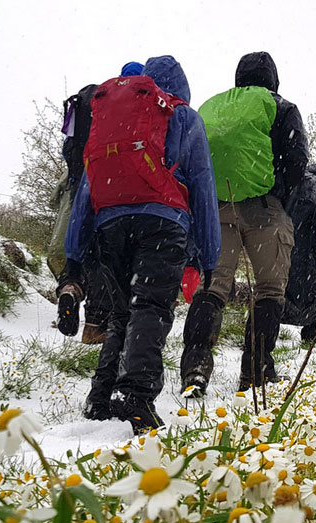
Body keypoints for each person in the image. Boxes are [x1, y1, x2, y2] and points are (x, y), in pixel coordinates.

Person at [62, 55, 219, 433]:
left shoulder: (115, 121)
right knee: (151, 306)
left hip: (110, 222)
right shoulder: (183, 116)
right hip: (163, 223)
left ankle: (100, 396)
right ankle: (136, 394)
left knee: (120, 312)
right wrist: (208, 255)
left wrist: (74, 254)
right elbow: (202, 187)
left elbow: (87, 186)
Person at [181, 51, 308, 395]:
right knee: (269, 290)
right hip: (266, 209)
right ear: (273, 78)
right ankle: (256, 371)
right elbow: (297, 161)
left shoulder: (215, 105)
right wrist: (280, 192)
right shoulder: (280, 107)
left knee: (212, 288)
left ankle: (195, 367)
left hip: (220, 206)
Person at [53, 61, 144, 344]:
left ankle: (71, 286)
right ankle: (95, 326)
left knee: (80, 250)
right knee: (106, 256)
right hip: (108, 185)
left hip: (79, 179)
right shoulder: (138, 101)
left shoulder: (94, 97)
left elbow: (68, 144)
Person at [282, 164, 316, 342]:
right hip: (311, 242)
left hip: (286, 235)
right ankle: (310, 330)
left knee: (280, 281)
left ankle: (272, 323)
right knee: (315, 285)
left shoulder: (293, 179)